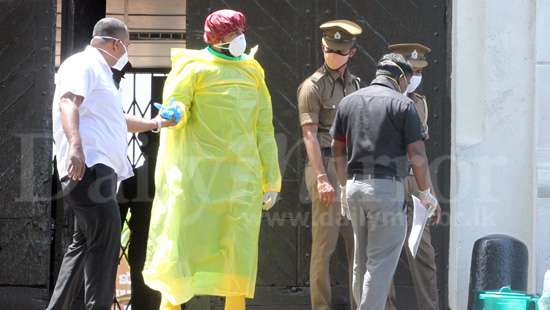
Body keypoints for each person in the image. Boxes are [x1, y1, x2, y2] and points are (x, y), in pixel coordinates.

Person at [142, 9, 282, 310]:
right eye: (232, 34)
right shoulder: (192, 68)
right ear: (215, 38)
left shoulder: (252, 71)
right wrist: (175, 113)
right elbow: (177, 102)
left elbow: (264, 127)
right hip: (197, 182)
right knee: (182, 248)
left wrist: (272, 178)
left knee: (237, 252)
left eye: (240, 32)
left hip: (239, 182)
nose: (239, 39)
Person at [48, 17, 177, 310]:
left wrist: (157, 123)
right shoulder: (83, 64)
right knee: (105, 247)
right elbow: (68, 102)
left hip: (97, 170)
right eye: (126, 46)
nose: (125, 53)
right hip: (89, 168)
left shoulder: (101, 72)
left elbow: (118, 121)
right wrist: (76, 148)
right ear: (115, 43)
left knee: (82, 244)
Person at [330, 53, 441, 310]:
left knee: (361, 260)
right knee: (379, 264)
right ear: (400, 77)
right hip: (386, 189)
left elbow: (337, 148)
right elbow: (417, 154)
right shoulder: (403, 105)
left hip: (355, 187)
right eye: (408, 78)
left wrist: (344, 186)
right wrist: (425, 192)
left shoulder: (348, 102)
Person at [297, 19, 362, 310]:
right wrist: (322, 178)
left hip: (353, 169)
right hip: (326, 165)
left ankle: (359, 304)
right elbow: (309, 136)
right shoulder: (312, 87)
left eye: (339, 51)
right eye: (328, 49)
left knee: (357, 245)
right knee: (324, 248)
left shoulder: (357, 85)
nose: (332, 55)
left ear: (352, 53)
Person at [386, 43, 440, 310]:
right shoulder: (382, 99)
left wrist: (427, 191)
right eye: (412, 70)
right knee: (385, 253)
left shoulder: (419, 103)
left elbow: (421, 151)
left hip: (412, 181)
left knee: (423, 251)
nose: (416, 76)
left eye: (421, 70)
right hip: (387, 181)